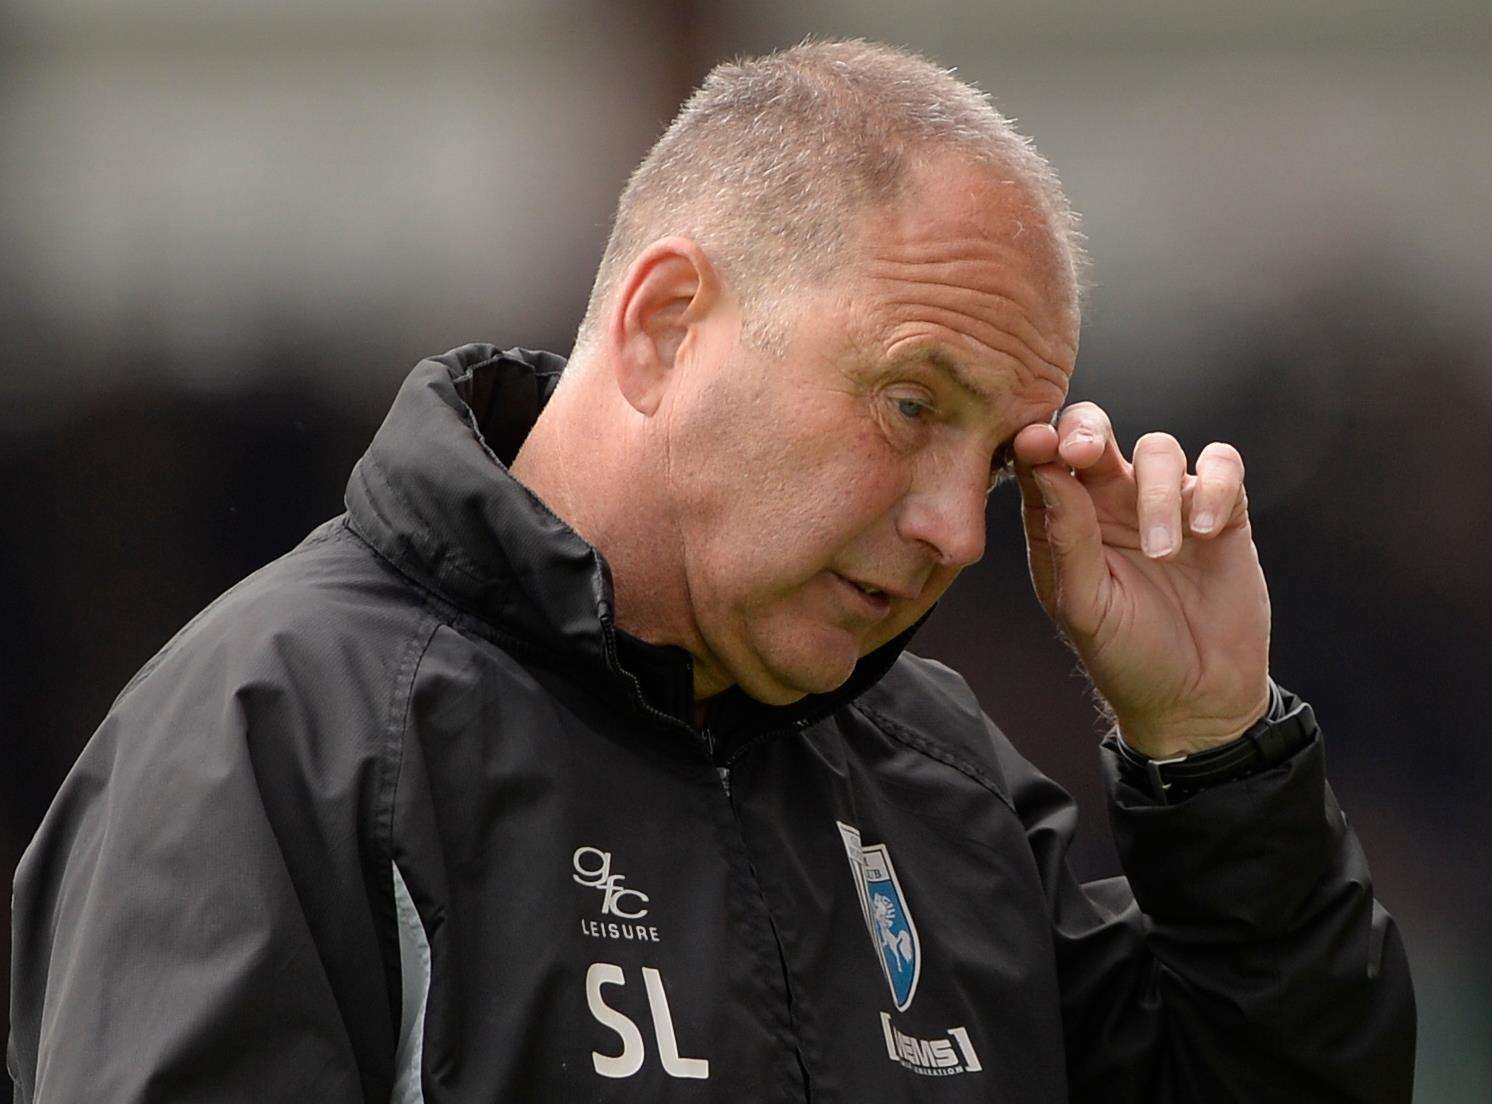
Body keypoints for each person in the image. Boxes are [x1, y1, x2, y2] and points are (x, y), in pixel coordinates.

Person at [8, 39, 1414, 1102]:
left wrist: (1213, 753)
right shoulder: (279, 737)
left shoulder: (946, 785)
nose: (958, 532)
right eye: (913, 404)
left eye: (991, 461)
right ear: (667, 323)